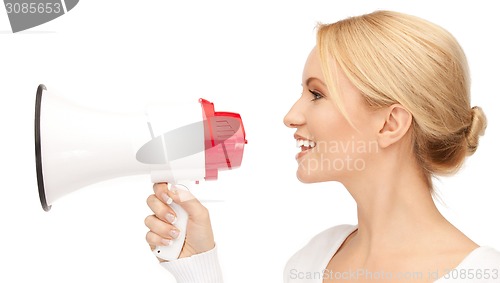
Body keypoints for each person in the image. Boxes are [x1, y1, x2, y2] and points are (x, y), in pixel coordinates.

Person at [144, 10, 500, 282]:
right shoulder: (315, 259)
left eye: (317, 94)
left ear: (390, 123)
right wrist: (198, 264)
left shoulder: (482, 274)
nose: (291, 116)